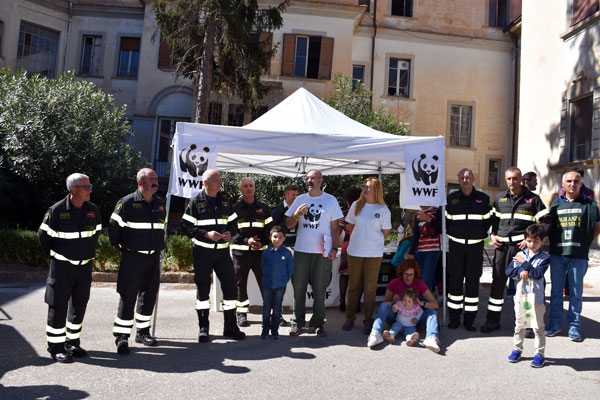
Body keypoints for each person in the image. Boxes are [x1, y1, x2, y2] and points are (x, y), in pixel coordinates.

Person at [38, 173, 101, 363]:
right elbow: (44, 237)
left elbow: (96, 233)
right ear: (73, 190)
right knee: (58, 305)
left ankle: (72, 342)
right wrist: (59, 256)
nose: (90, 190)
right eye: (86, 187)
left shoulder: (93, 210)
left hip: (84, 267)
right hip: (62, 267)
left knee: (79, 304)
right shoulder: (56, 211)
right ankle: (56, 346)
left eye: (90, 186)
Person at [481, 167, 551, 333]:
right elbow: (494, 221)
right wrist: (492, 236)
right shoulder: (499, 198)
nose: (512, 182)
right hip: (502, 247)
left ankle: (526, 324)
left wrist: (531, 241)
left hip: (522, 249)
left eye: (515, 178)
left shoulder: (533, 199)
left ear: (521, 179)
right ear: (506, 180)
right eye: (509, 179)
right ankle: (492, 321)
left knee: (526, 285)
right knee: (497, 284)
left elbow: (547, 221)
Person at [180, 169, 245, 343]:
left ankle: (230, 327)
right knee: (203, 291)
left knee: (231, 288)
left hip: (223, 253)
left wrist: (230, 233)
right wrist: (205, 234)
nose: (220, 182)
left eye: (220, 180)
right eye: (216, 180)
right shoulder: (195, 202)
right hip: (203, 253)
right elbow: (185, 227)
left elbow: (234, 224)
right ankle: (203, 328)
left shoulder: (225, 202)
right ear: (206, 183)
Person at [109, 168, 165, 354]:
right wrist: (124, 250)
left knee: (148, 296)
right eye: (152, 179)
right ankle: (122, 337)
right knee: (128, 296)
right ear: (140, 182)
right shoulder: (127, 203)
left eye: (156, 178)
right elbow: (113, 230)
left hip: (152, 258)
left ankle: (143, 332)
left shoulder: (160, 203)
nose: (155, 182)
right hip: (133, 258)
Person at [285, 170, 343, 337]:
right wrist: (296, 215)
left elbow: (335, 227)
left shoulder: (330, 200)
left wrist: (335, 248)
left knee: (319, 288)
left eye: (313, 178)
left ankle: (318, 322)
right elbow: (288, 224)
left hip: (322, 252)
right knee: (299, 288)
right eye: (308, 178)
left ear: (320, 180)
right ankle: (297, 322)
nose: (310, 180)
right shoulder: (300, 199)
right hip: (302, 251)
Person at [546, 170, 600, 341]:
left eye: (576, 181)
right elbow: (549, 227)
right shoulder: (555, 204)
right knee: (556, 292)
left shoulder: (589, 205)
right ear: (563, 184)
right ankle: (554, 325)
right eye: (569, 181)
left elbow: (596, 228)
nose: (572, 184)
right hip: (557, 255)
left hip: (578, 255)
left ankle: (574, 327)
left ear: (581, 183)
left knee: (576, 293)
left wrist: (583, 243)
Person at [445, 168, 493, 331]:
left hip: (475, 248)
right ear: (458, 180)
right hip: (456, 247)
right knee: (455, 284)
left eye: (467, 177)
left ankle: (469, 320)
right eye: (462, 178)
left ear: (473, 179)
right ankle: (454, 318)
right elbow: (446, 222)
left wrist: (479, 235)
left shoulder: (483, 199)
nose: (465, 180)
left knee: (473, 284)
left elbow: (489, 221)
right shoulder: (451, 199)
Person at [342, 178, 391, 334]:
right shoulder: (356, 206)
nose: (364, 189)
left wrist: (371, 242)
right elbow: (351, 227)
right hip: (355, 252)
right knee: (354, 286)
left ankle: (368, 320)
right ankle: (350, 318)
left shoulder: (384, 210)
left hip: (373, 254)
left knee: (370, 288)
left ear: (376, 190)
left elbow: (385, 233)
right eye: (363, 186)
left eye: (368, 187)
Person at [367, 259, 441, 353]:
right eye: (405, 274)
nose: (408, 277)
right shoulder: (394, 283)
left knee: (432, 313)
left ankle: (431, 338)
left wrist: (421, 303)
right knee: (384, 305)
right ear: (401, 273)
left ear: (415, 274)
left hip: (414, 320)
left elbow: (435, 304)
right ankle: (376, 334)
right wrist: (393, 302)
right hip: (397, 317)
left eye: (411, 274)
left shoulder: (420, 284)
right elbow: (386, 303)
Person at [505, 224, 549, 368]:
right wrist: (519, 272)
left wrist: (525, 265)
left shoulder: (544, 258)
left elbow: (537, 274)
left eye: (536, 241)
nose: (532, 244)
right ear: (525, 240)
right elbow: (508, 271)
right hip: (521, 297)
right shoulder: (519, 255)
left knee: (538, 327)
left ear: (543, 241)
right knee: (520, 325)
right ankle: (517, 349)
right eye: (529, 241)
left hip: (536, 299)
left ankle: (539, 354)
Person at [230, 177, 273, 327]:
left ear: (254, 188)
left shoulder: (264, 208)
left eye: (251, 186)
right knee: (240, 284)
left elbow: (270, 229)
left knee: (266, 283)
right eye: (245, 186)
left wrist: (262, 242)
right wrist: (247, 241)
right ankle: (241, 314)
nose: (249, 188)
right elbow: (231, 232)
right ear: (241, 190)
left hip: (261, 253)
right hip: (241, 255)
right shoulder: (234, 209)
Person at [270, 184, 299, 327]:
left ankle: (297, 316)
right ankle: (277, 315)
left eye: (297, 195)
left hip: (298, 250)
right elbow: (271, 232)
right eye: (293, 195)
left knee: (298, 284)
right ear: (286, 195)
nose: (295, 198)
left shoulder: (301, 209)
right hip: (281, 252)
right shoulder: (277, 211)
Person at [261, 226, 294, 339]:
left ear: (284, 238)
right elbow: (263, 266)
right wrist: (267, 278)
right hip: (267, 285)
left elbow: (290, 270)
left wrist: (284, 280)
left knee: (277, 308)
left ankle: (275, 331)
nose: (277, 239)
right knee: (266, 308)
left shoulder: (287, 253)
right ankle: (265, 330)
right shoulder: (266, 252)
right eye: (275, 237)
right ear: (270, 238)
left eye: (280, 237)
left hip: (280, 286)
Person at [338, 186, 362, 312]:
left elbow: (339, 231)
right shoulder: (363, 213)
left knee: (344, 275)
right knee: (358, 277)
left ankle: (342, 301)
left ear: (347, 200)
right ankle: (356, 303)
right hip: (361, 247)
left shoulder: (345, 214)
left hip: (346, 246)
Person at [408, 206, 442, 291]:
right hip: (420, 251)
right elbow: (415, 234)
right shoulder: (418, 213)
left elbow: (440, 229)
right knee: (419, 277)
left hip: (432, 250)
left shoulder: (436, 211)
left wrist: (429, 219)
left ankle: (421, 301)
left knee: (426, 278)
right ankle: (425, 299)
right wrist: (412, 251)